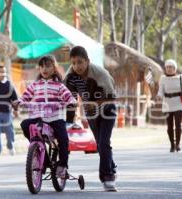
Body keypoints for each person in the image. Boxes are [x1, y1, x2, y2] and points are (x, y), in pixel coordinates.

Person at [64, 46, 118, 192]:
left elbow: (112, 97)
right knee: (100, 145)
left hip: (107, 110)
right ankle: (111, 167)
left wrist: (94, 104)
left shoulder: (100, 74)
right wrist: (69, 119)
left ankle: (108, 178)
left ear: (88, 61)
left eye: (80, 62)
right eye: (73, 63)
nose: (77, 66)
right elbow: (69, 97)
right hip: (91, 113)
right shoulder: (71, 75)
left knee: (103, 142)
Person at [13, 55, 76, 179]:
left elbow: (68, 96)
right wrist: (19, 101)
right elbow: (26, 96)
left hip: (55, 118)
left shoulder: (59, 86)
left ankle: (63, 165)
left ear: (54, 68)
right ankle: (41, 155)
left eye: (48, 66)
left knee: (63, 139)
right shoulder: (35, 85)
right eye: (41, 66)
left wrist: (72, 101)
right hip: (38, 116)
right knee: (25, 124)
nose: (44, 69)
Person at [156, 59, 182, 152]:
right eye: (167, 67)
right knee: (169, 126)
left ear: (175, 69)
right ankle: (172, 145)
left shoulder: (180, 77)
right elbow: (161, 90)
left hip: (179, 104)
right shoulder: (163, 78)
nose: (169, 69)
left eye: (171, 67)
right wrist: (159, 95)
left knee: (178, 125)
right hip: (167, 104)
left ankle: (178, 144)